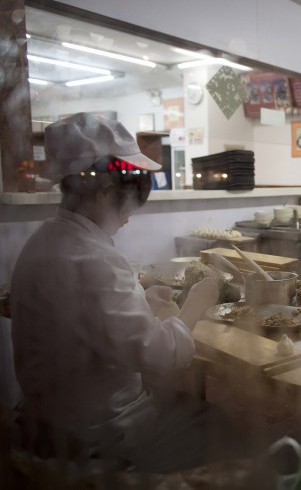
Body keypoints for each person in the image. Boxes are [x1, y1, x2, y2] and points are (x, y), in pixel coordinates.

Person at [10, 113, 254, 475]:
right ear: (103, 192)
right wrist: (197, 302)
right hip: (99, 429)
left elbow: (95, 323)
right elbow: (159, 355)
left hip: (47, 414)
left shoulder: (43, 241)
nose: (129, 216)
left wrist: (144, 301)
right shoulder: (92, 257)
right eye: (130, 199)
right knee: (223, 427)